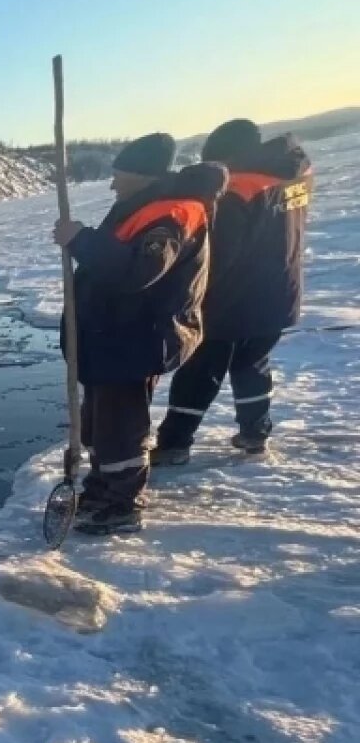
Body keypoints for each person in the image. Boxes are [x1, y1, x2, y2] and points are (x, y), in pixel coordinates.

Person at [53, 133, 227, 535]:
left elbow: (138, 271)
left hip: (134, 338)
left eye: (120, 175)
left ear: (142, 175)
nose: (113, 184)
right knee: (100, 423)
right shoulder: (145, 206)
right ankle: (103, 488)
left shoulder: (171, 215)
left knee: (119, 427)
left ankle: (122, 505)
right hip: (113, 335)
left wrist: (81, 240)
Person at [153, 121, 312, 463]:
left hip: (232, 298)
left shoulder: (237, 187)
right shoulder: (292, 173)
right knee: (252, 363)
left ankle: (174, 444)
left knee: (199, 367)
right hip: (280, 291)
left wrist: (190, 290)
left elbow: (220, 252)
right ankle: (255, 432)